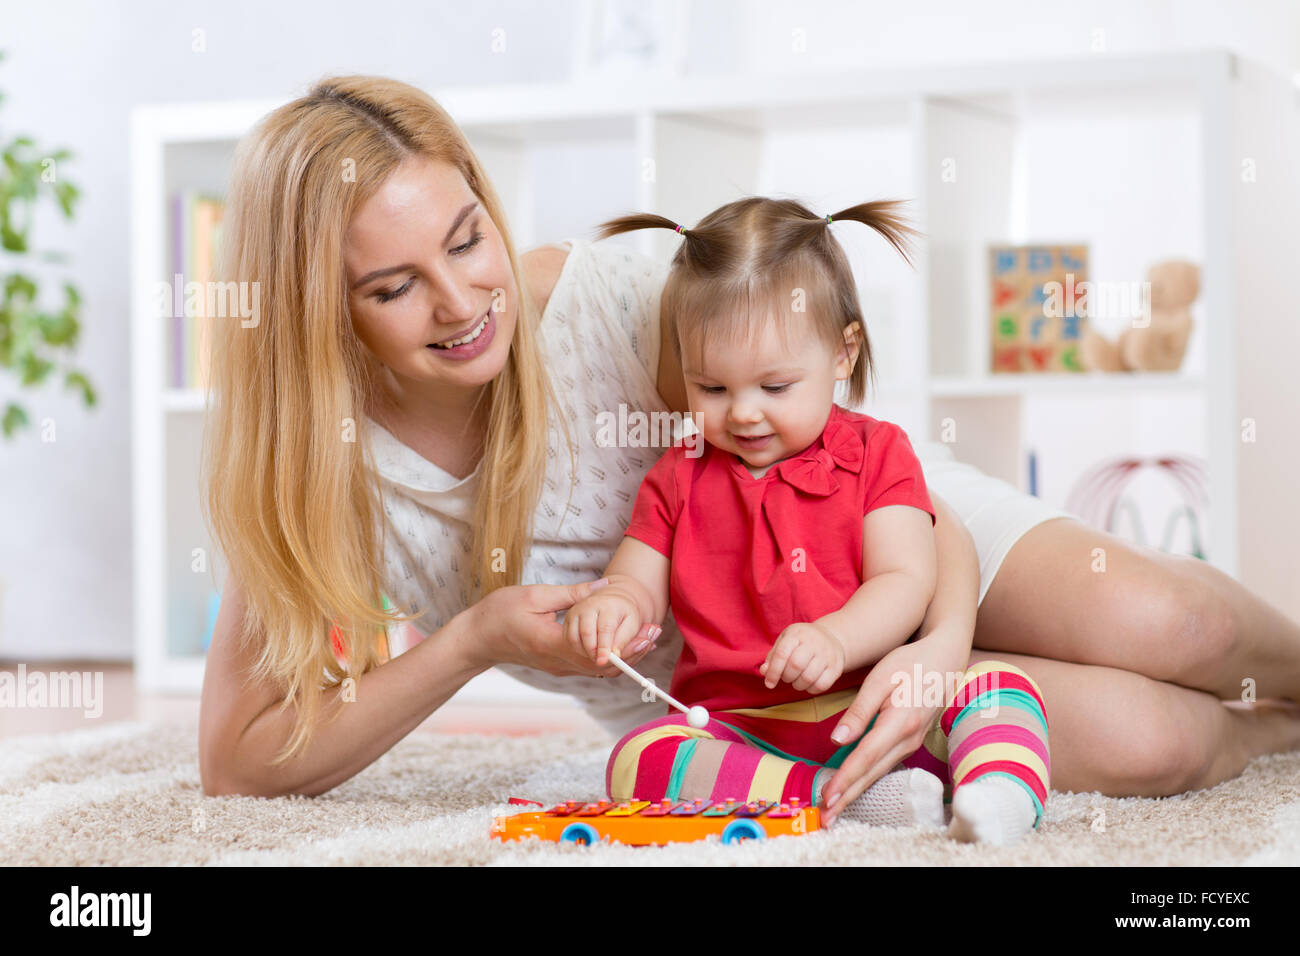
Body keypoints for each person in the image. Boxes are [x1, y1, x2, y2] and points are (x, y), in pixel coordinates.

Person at [198, 76, 1300, 825]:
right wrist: (472, 639)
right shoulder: (315, 475)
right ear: (315, 314)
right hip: (751, 695)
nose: (460, 303)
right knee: (1152, 741)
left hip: (887, 544)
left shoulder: (616, 305)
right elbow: (236, 761)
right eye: (393, 288)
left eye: (465, 239)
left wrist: (938, 644)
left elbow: (871, 469)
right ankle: (1270, 740)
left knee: (1174, 622)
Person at [561, 198, 1048, 845]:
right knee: (639, 759)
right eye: (712, 388)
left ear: (843, 354)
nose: (744, 414)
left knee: (1002, 687)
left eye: (775, 387)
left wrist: (838, 640)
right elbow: (636, 578)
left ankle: (1000, 796)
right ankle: (834, 799)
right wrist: (615, 604)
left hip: (875, 707)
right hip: (745, 731)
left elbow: (906, 577)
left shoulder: (880, 453)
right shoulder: (678, 476)